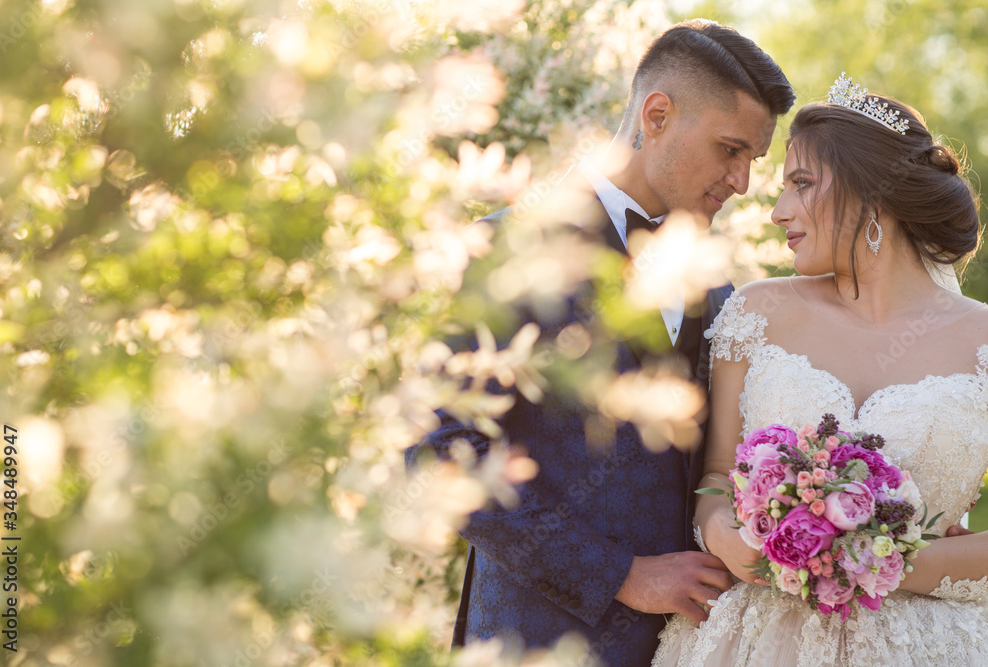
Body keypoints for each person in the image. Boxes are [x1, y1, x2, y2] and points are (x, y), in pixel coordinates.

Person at [406, 19, 795, 666]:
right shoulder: (509, 249)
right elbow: (439, 447)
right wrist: (621, 574)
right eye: (730, 149)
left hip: (693, 647)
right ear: (658, 114)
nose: (742, 181)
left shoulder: (723, 290)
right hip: (534, 642)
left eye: (752, 159)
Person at [653, 74, 988, 666]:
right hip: (753, 640)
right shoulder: (755, 312)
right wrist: (725, 538)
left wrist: (890, 559)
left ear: (874, 192)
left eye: (801, 184)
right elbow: (713, 478)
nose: (779, 212)